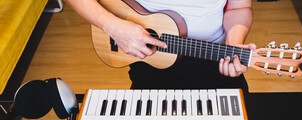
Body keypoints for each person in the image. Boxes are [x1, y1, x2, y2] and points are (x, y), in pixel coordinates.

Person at [64, 0, 255, 91]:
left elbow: (239, 7)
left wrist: (234, 43)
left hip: (216, 62)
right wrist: (112, 26)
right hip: (150, 61)